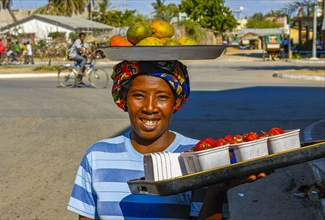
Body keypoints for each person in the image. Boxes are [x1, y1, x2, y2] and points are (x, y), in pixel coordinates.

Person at [67, 60, 266, 219]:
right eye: (138, 95)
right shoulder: (97, 155)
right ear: (123, 99)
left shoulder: (197, 155)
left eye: (162, 97)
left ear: (176, 102)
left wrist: (216, 189)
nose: (150, 107)